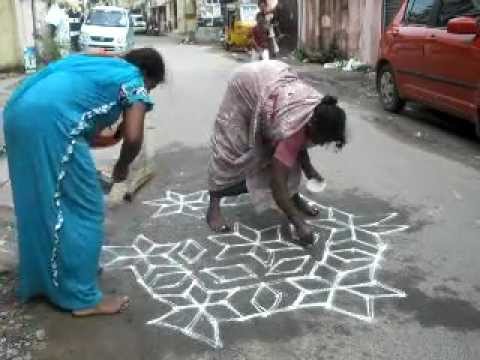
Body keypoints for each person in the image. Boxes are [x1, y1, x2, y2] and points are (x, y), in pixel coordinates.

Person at [3, 48, 165, 316]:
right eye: (153, 86)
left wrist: (113, 137)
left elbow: (81, 122)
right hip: (50, 123)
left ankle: (58, 275)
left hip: (17, 113)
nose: (149, 92)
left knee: (41, 201)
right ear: (148, 76)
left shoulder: (101, 64)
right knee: (87, 208)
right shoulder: (134, 80)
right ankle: (82, 298)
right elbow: (134, 138)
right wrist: (122, 166)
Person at [207, 60, 347, 246]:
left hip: (273, 79)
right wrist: (298, 223)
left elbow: (299, 145)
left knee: (286, 156)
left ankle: (294, 198)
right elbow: (277, 183)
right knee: (230, 149)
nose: (321, 144)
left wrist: (309, 169)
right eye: (322, 139)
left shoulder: (321, 110)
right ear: (312, 126)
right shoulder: (292, 129)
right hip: (245, 84)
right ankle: (213, 207)